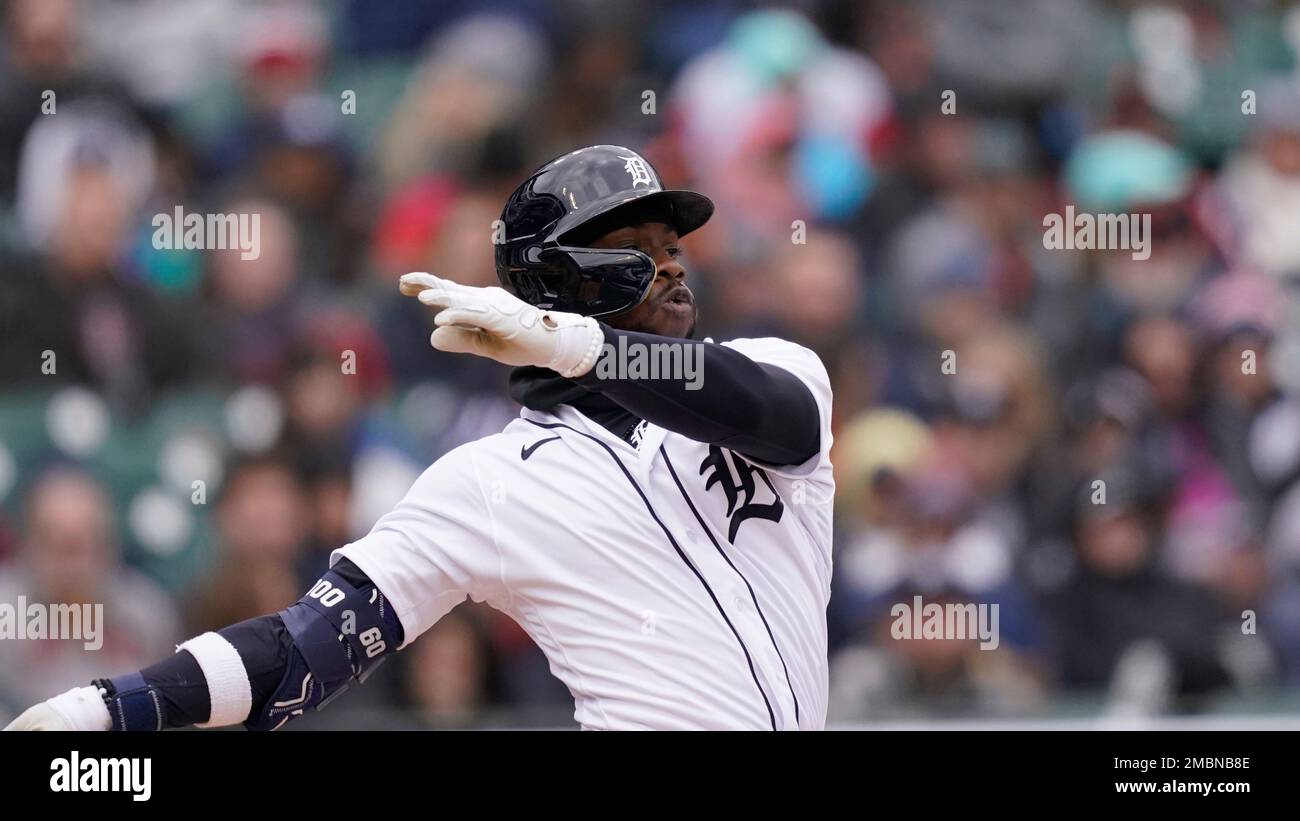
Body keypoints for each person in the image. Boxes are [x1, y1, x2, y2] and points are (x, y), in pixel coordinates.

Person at [5, 145, 834, 731]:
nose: (674, 265)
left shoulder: (769, 366)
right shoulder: (490, 481)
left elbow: (775, 416)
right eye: (636, 248)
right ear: (554, 279)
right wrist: (104, 710)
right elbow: (302, 651)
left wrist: (566, 341)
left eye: (673, 244)